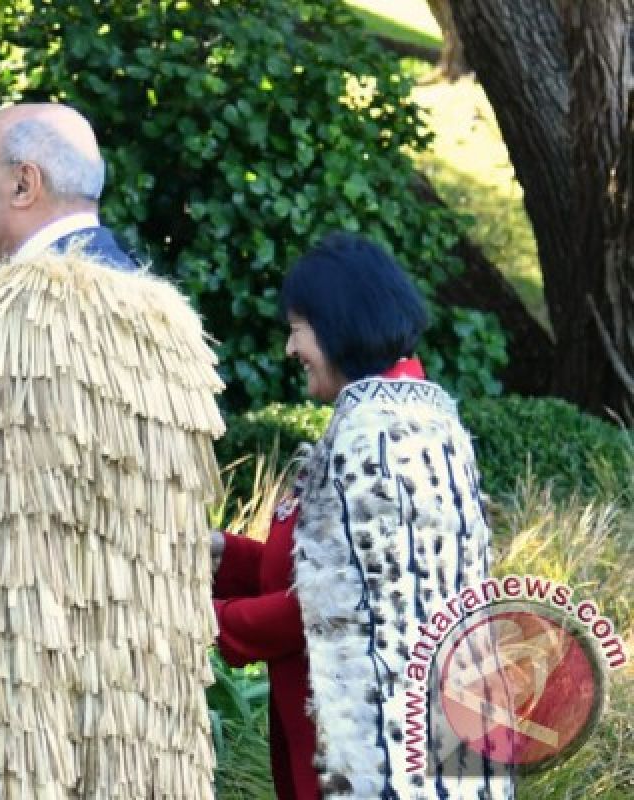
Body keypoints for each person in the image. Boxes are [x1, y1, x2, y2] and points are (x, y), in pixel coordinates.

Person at [0, 103, 226, 798]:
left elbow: (15, 550)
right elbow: (72, 513)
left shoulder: (29, 314)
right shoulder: (165, 318)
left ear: (25, 183)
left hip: (25, 727)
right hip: (135, 719)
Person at [211, 233, 514, 799]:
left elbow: (334, 603)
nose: (289, 349)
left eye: (297, 327)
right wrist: (226, 557)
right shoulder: (419, 420)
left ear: (336, 323)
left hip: (386, 761)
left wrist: (208, 619)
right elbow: (338, 569)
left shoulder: (374, 435)